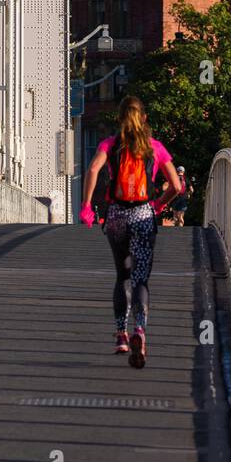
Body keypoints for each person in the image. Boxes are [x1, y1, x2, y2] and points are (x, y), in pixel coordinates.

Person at [79, 95, 181, 368]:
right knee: (141, 280)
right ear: (144, 118)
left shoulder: (110, 145)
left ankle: (121, 334)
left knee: (122, 275)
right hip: (144, 216)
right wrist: (159, 205)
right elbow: (177, 186)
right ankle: (140, 330)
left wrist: (87, 206)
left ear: (119, 118)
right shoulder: (155, 148)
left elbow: (92, 169)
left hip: (116, 218)